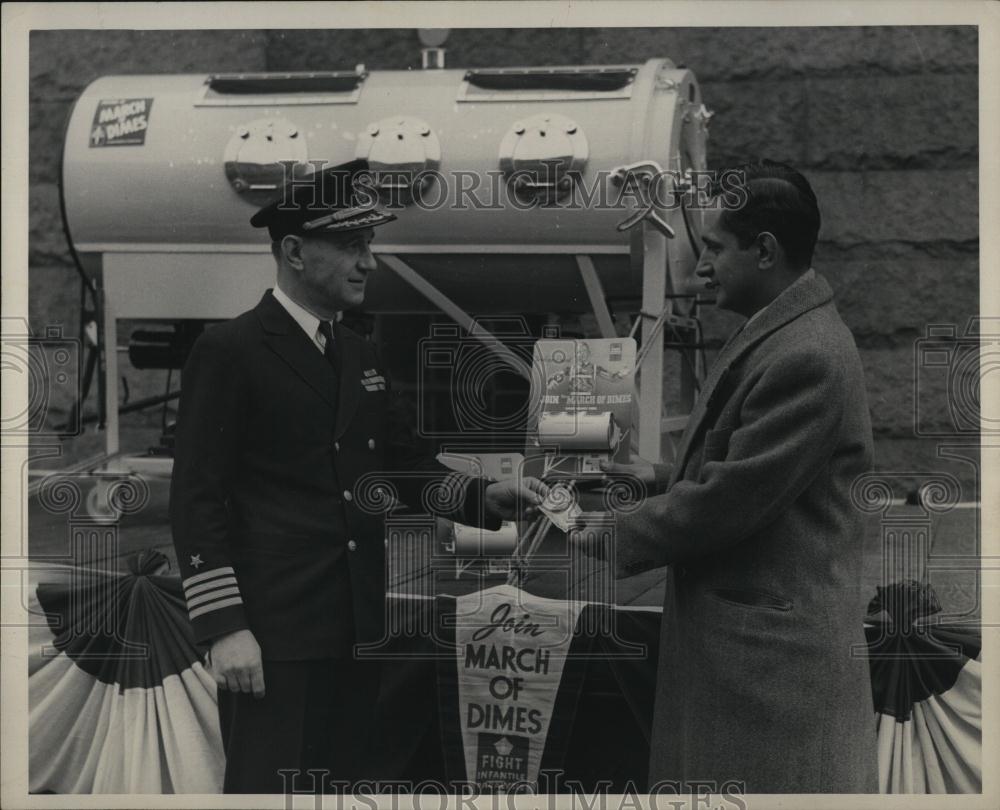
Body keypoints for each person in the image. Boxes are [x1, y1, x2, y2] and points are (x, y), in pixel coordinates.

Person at [169, 159, 546, 793]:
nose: (368, 262)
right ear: (294, 252)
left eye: (369, 244)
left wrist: (485, 496)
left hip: (356, 626)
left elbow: (401, 467)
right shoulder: (230, 351)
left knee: (340, 791)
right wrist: (226, 627)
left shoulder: (358, 351)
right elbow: (195, 500)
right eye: (351, 245)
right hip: (274, 635)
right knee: (270, 793)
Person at [589, 160, 878, 792]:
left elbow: (730, 500)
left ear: (765, 251)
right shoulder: (786, 333)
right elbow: (747, 469)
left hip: (770, 679)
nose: (700, 268)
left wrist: (603, 535)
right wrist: (655, 477)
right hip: (755, 669)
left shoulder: (807, 354)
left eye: (715, 248)